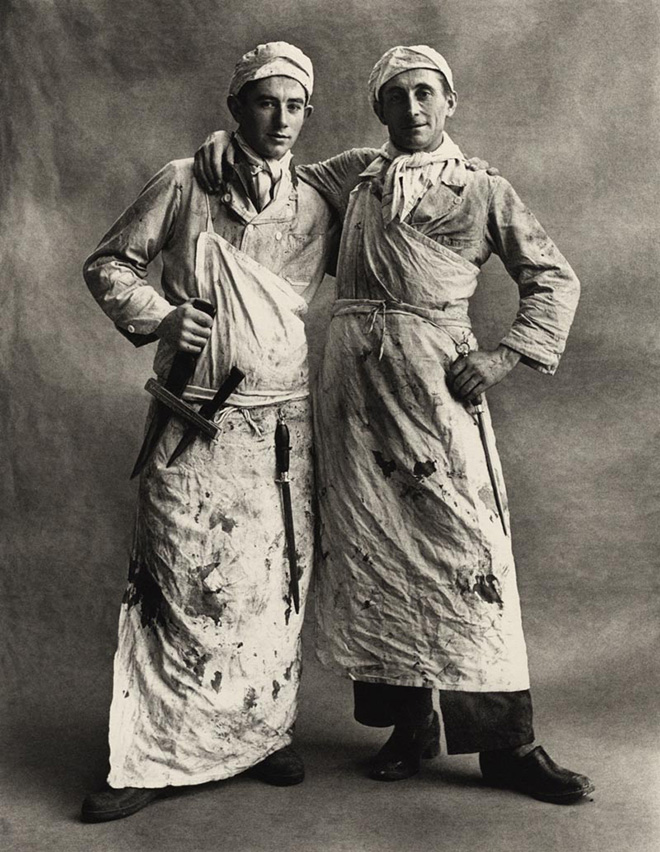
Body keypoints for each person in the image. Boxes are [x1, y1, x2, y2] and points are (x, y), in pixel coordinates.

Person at [194, 45, 594, 804]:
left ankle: (507, 746)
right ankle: (410, 728)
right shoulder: (354, 177)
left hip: (433, 386)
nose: (412, 108)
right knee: (372, 548)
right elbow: (273, 184)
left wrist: (505, 358)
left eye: (425, 94)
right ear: (379, 110)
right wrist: (221, 147)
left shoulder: (481, 189)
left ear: (450, 104)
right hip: (352, 387)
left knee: (468, 551)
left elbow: (551, 276)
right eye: (397, 97)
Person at [81, 42, 341, 823]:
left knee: (271, 585)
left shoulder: (316, 202)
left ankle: (258, 736)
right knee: (186, 579)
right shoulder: (185, 181)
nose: (282, 121)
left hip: (283, 427)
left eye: (296, 106)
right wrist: (164, 314)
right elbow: (109, 264)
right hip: (198, 420)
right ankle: (157, 754)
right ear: (236, 107)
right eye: (267, 103)